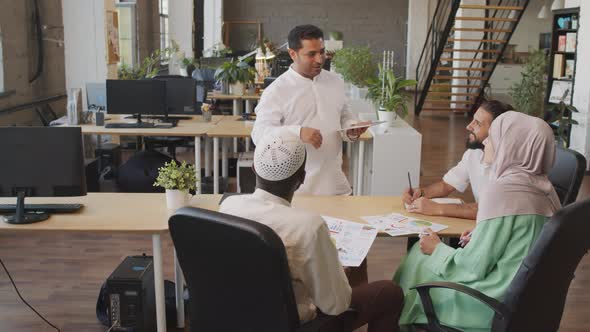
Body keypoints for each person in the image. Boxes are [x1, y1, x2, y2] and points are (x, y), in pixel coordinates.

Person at [393, 111, 561, 331]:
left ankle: (396, 323)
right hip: (525, 301)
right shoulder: (546, 190)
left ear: (511, 145)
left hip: (488, 302)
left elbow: (473, 267)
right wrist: (481, 233)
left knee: (418, 255)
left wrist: (437, 248)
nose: (487, 141)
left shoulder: (502, 191)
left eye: (493, 136)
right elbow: (519, 238)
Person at [220, 131, 403, 331]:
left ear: (255, 168)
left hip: (239, 314)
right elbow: (336, 305)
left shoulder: (228, 206)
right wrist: (338, 273)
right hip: (296, 323)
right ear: (302, 178)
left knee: (355, 267)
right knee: (389, 293)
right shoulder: (309, 226)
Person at [251, 24, 368, 196]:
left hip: (335, 184)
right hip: (296, 191)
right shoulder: (277, 91)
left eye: (322, 51)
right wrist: (297, 132)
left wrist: (350, 128)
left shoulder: (335, 81)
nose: (320, 59)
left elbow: (344, 113)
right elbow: (259, 134)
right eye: (311, 54)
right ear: (293, 54)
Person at [403, 100, 514, 220]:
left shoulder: (512, 165)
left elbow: (491, 209)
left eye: (477, 123)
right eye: (472, 120)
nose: (468, 126)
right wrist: (421, 193)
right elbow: (446, 186)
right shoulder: (474, 153)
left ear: (497, 132)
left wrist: (436, 208)